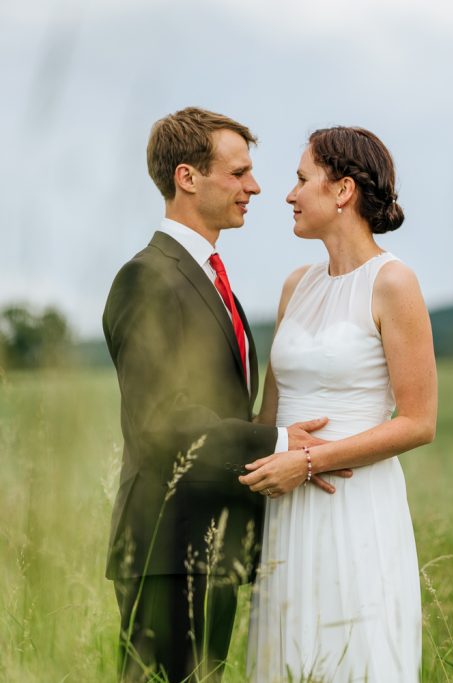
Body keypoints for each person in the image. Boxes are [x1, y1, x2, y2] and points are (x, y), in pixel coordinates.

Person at [103, 107, 346, 683]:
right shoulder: (148, 277)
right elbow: (163, 424)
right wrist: (283, 442)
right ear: (188, 177)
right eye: (238, 173)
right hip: (166, 551)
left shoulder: (210, 276)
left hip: (210, 547)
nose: (255, 187)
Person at [241, 126, 437, 682]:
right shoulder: (295, 285)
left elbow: (419, 422)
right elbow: (269, 414)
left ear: (343, 190)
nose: (288, 194)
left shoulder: (393, 283)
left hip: (354, 505)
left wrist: (308, 462)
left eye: (302, 179)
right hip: (284, 510)